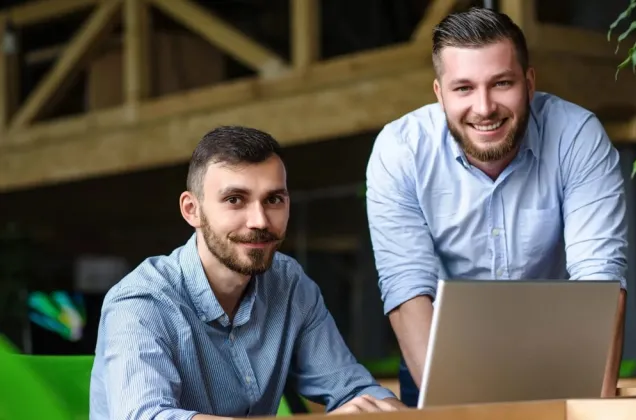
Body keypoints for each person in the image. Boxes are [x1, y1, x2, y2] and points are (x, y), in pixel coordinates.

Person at [365, 8, 628, 407]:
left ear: (529, 82)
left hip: (559, 354)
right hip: (441, 356)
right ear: (439, 94)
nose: (484, 107)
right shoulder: (399, 150)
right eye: (463, 88)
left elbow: (601, 283)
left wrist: (597, 411)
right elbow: (407, 289)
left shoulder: (577, 136)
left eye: (501, 83)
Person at [90, 126, 406, 419]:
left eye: (274, 200)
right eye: (234, 200)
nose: (260, 221)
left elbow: (351, 389)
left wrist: (389, 409)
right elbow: (148, 417)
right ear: (192, 210)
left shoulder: (289, 283)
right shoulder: (142, 301)